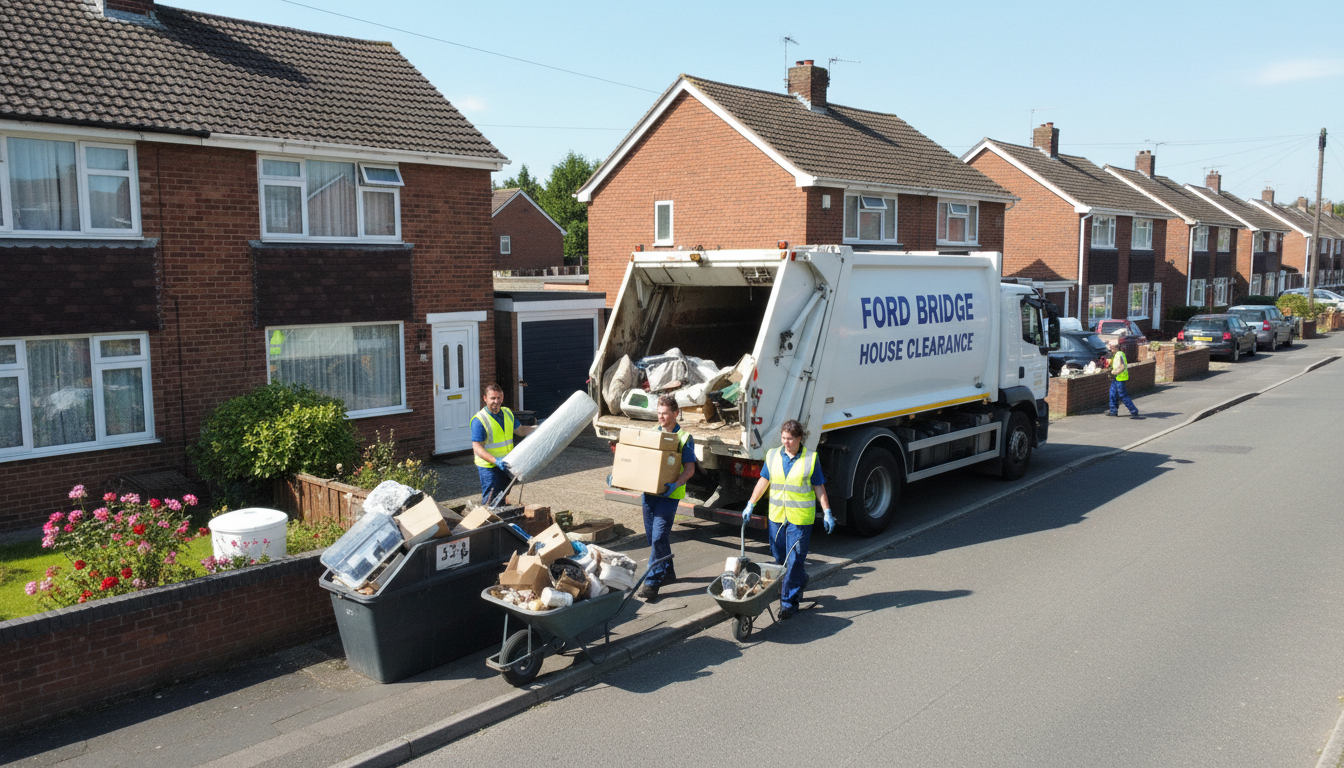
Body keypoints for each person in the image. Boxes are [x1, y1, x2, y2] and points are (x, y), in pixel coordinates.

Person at [740, 420, 833, 620]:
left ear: (799, 438)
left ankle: (788, 603)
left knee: (795, 560)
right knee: (780, 559)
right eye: (783, 438)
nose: (786, 442)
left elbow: (819, 486)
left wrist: (827, 511)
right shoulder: (773, 455)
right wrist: (751, 503)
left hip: (800, 520)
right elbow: (764, 480)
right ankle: (800, 579)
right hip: (777, 518)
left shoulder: (810, 458)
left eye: (790, 439)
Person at [635, 395, 697, 602]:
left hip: (669, 496)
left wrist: (675, 485)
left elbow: (689, 470)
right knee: (654, 538)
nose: (661, 417)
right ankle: (668, 573)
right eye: (659, 413)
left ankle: (652, 584)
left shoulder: (685, 438)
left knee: (659, 538)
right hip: (649, 494)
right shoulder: (653, 434)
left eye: (665, 413)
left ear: (675, 413)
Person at [470, 383, 536, 504]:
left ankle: (500, 520)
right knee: (490, 501)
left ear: (503, 397)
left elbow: (520, 430)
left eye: (498, 398)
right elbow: (477, 448)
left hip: (506, 464)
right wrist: (496, 461)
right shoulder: (479, 420)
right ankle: (487, 522)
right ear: (485, 398)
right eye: (492, 398)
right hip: (490, 468)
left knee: (502, 497)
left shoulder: (507, 413)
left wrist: (538, 428)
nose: (496, 401)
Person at [1106, 334, 1140, 419]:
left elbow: (1122, 367)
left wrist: (1113, 372)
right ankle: (1113, 411)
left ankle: (1134, 411)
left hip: (1120, 378)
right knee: (1112, 394)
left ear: (1114, 348)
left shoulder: (1119, 354)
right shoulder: (1115, 355)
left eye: (1111, 348)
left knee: (1123, 396)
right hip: (1116, 378)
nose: (1110, 349)